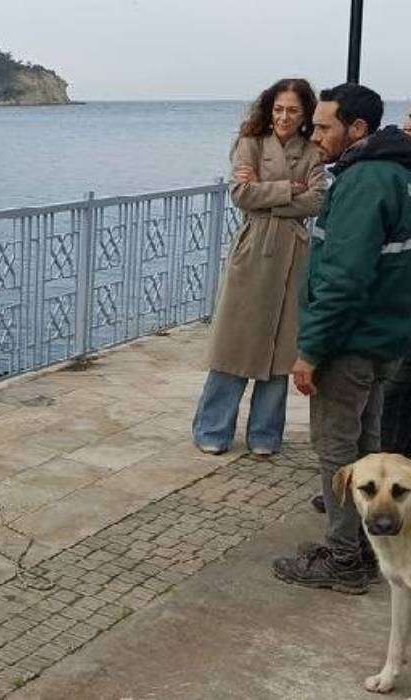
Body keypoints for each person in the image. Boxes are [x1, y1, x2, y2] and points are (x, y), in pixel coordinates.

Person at [272, 83, 411, 594]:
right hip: (385, 339)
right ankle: (363, 545)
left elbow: (345, 279)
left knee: (337, 450)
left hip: (350, 343)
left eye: (325, 125)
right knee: (368, 446)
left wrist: (311, 350)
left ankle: (345, 558)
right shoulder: (400, 174)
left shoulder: (365, 181)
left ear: (358, 129)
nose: (315, 134)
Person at [192, 78, 324, 456]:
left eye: (293, 110)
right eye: (278, 109)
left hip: (293, 253)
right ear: (269, 109)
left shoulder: (312, 151)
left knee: (282, 347)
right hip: (253, 249)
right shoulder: (249, 144)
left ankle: (266, 434)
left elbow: (316, 202)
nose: (284, 116)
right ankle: (212, 428)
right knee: (233, 342)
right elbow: (240, 195)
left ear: (305, 115)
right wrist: (290, 189)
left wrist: (268, 192)